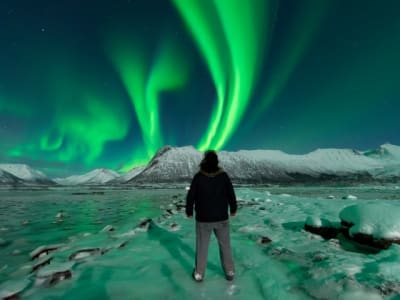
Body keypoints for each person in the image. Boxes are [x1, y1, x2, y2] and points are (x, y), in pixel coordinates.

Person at [186, 150, 237, 282]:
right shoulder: (223, 176)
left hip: (203, 219)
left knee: (202, 247)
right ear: (217, 161)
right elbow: (231, 193)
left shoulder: (198, 177)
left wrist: (189, 211)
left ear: (204, 161)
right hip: (221, 218)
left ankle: (199, 274)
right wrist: (233, 208)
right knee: (225, 245)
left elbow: (191, 195)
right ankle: (229, 272)